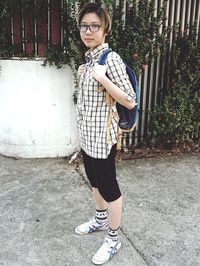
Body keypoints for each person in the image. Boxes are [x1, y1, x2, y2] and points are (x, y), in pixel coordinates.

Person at [75, 2, 135, 265]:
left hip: (103, 139)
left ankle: (113, 237)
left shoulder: (109, 59)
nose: (88, 31)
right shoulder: (88, 61)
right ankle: (100, 220)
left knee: (110, 188)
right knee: (95, 182)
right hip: (87, 138)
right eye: (84, 26)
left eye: (95, 26)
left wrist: (104, 79)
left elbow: (130, 100)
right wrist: (85, 76)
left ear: (105, 29)